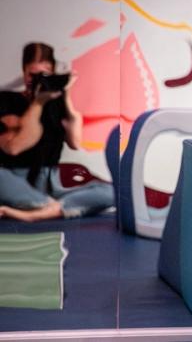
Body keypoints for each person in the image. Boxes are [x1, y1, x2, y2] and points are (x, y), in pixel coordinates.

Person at [0, 43, 114, 222]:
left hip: (50, 182)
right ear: (24, 72)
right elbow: (15, 147)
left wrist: (66, 94)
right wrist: (38, 103)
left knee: (111, 191)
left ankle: (41, 210)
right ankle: (53, 207)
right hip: (14, 180)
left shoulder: (56, 105)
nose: (38, 80)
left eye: (44, 75)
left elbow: (75, 142)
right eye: (33, 74)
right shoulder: (6, 100)